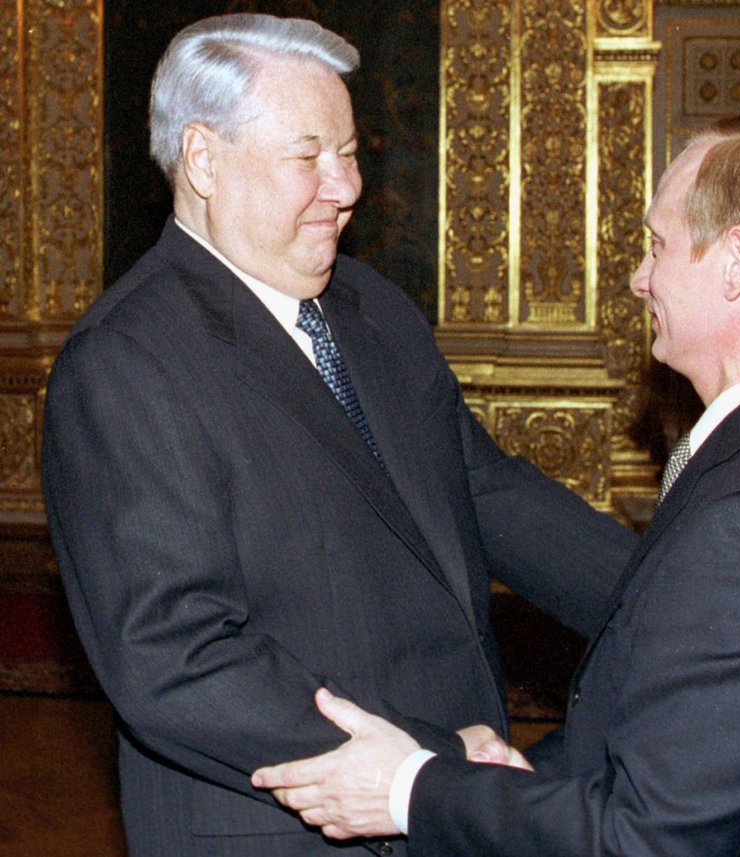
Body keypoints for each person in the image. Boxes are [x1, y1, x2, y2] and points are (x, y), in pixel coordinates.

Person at [39, 13, 640, 857]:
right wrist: (426, 764)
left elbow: (485, 490)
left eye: (351, 153)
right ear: (204, 160)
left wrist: (670, 600)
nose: (346, 185)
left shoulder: (373, 310)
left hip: (445, 803)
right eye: (308, 156)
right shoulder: (128, 363)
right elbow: (175, 656)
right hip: (293, 829)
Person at [252, 112, 740, 855]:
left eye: (659, 246)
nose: (640, 279)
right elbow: (674, 737)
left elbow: (645, 839)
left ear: (736, 262)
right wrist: (504, 779)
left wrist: (408, 787)